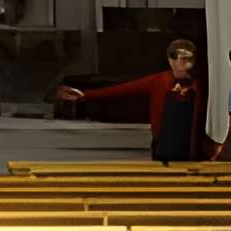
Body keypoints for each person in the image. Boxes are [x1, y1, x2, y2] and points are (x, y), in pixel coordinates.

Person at [57, 37, 211, 161]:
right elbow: (124, 89)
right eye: (180, 59)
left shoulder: (200, 85)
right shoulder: (160, 81)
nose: (184, 64)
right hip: (163, 146)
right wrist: (87, 95)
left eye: (188, 59)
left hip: (191, 148)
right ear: (171, 60)